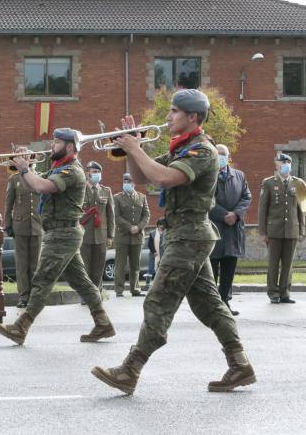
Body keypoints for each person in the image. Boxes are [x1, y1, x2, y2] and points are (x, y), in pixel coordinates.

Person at [92, 89, 255, 396]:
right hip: (184, 234)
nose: (167, 117)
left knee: (158, 300)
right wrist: (131, 149)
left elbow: (165, 178)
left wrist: (135, 147)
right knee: (209, 306)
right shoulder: (182, 148)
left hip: (189, 236)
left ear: (192, 117)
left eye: (173, 112)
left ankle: (131, 368)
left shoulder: (202, 151)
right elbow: (142, 177)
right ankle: (240, 364)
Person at [0, 128, 115, 345]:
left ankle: (21, 327)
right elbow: (34, 183)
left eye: (56, 143)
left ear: (70, 147)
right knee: (82, 282)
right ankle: (103, 323)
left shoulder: (72, 171)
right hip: (61, 232)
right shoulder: (60, 167)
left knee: (42, 279)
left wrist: (23, 168)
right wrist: (27, 169)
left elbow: (42, 186)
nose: (52, 146)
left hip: (62, 233)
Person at [208, 145, 251, 315]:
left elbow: (246, 197)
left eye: (223, 154)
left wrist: (236, 214)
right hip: (215, 228)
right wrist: (224, 214)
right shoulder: (207, 176)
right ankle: (212, 307)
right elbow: (206, 199)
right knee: (212, 271)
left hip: (233, 230)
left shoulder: (239, 175)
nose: (220, 157)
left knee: (229, 269)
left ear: (229, 156)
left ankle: (224, 303)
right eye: (217, 154)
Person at [258, 153, 305, 304]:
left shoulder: (298, 183)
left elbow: (302, 209)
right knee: (273, 264)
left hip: (292, 230)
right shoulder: (269, 183)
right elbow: (262, 209)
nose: (285, 165)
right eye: (282, 162)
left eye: (287, 162)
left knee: (288, 264)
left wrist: (302, 230)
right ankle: (273, 292)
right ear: (276, 165)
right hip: (274, 231)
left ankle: (285, 292)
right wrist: (263, 232)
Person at [4, 147, 43, 308]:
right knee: (21, 264)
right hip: (20, 225)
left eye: (27, 156)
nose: (25, 159)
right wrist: (8, 224)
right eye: (21, 157)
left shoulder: (40, 177)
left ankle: (35, 296)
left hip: (37, 225)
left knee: (36, 264)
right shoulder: (14, 179)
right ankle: (23, 296)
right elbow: (8, 204)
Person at [80, 161, 115, 293]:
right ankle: (86, 294)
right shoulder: (81, 190)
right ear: (87, 174)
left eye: (98, 172)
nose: (96, 174)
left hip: (101, 235)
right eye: (93, 172)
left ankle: (97, 293)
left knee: (99, 267)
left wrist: (111, 235)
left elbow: (111, 215)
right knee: (85, 267)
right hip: (84, 235)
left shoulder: (106, 191)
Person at [113, 173, 150, 297]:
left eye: (128, 182)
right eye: (124, 182)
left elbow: (146, 215)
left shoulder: (142, 197)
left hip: (137, 236)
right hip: (122, 236)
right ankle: (119, 289)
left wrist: (139, 227)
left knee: (136, 265)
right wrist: (129, 227)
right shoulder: (117, 198)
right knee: (120, 264)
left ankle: (135, 289)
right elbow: (116, 216)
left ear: (134, 184)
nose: (126, 184)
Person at [145, 219, 165, 284]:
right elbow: (149, 244)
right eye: (160, 225)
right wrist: (154, 251)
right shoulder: (153, 233)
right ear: (158, 225)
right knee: (150, 269)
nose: (161, 227)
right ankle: (147, 284)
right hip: (153, 254)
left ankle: (160, 284)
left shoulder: (166, 233)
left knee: (162, 270)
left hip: (163, 255)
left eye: (162, 225)